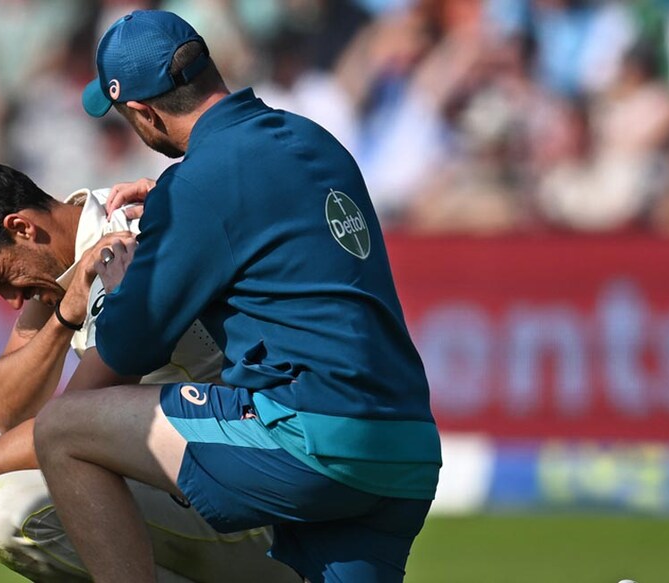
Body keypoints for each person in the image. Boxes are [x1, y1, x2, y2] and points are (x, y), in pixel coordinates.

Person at [33, 10, 442, 583]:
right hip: (405, 445)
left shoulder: (196, 188)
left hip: (312, 438)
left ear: (143, 113)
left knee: (64, 429)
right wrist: (176, 202)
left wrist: (131, 277)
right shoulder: (312, 137)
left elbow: (108, 372)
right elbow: (262, 207)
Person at [0, 159, 301, 583]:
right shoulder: (65, 252)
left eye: (2, 279)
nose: (13, 301)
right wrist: (62, 316)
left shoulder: (123, 248)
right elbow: (5, 410)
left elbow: (70, 423)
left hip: (242, 501)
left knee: (8, 511)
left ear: (22, 228)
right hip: (178, 469)